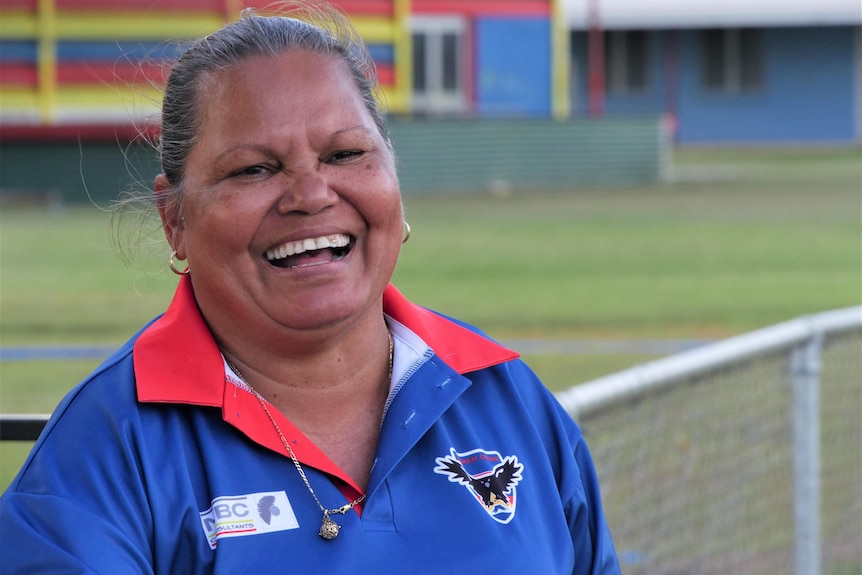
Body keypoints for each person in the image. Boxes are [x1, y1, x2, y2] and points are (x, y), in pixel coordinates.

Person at [0, 4, 620, 573]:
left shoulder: (508, 397)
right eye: (253, 169)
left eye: (346, 154)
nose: (311, 194)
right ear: (175, 220)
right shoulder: (105, 453)